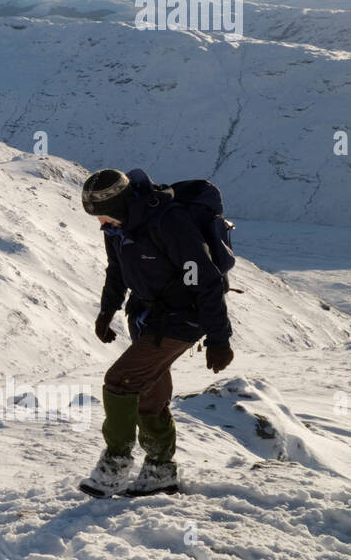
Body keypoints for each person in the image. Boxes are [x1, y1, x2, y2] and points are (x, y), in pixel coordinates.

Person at [78, 168, 234, 497]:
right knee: (148, 393)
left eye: (104, 216)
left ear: (120, 206)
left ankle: (115, 465)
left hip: (183, 318)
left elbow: (207, 280)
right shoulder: (117, 229)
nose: (100, 224)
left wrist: (220, 340)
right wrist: (107, 311)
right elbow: (118, 270)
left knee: (120, 381)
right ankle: (160, 471)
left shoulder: (168, 222)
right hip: (148, 317)